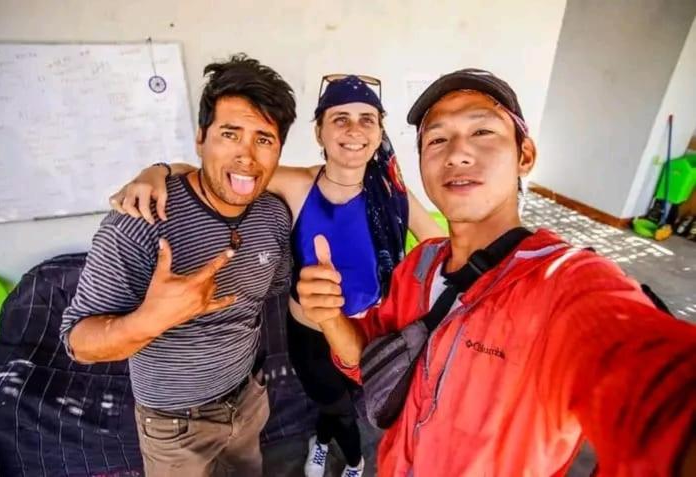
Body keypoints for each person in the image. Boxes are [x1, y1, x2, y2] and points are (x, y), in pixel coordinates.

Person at [296, 68, 696, 476]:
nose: (456, 153)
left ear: (525, 155)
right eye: (437, 139)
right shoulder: (418, 267)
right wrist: (329, 317)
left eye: (482, 132)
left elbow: (655, 384)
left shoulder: (565, 283)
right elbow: (366, 361)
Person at [109, 75, 445, 477]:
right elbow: (217, 170)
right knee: (332, 402)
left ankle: (324, 440)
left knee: (359, 401)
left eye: (366, 119)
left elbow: (440, 250)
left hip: (371, 332)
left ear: (378, 133)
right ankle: (354, 460)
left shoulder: (393, 195)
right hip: (311, 333)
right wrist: (156, 170)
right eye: (340, 119)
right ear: (319, 131)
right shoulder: (297, 184)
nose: (354, 130)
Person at [60, 54, 297, 477]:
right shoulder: (142, 219)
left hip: (247, 400)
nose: (247, 156)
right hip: (173, 423)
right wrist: (150, 321)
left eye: (264, 139)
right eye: (230, 133)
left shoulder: (274, 217)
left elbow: (276, 289)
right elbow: (78, 342)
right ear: (201, 138)